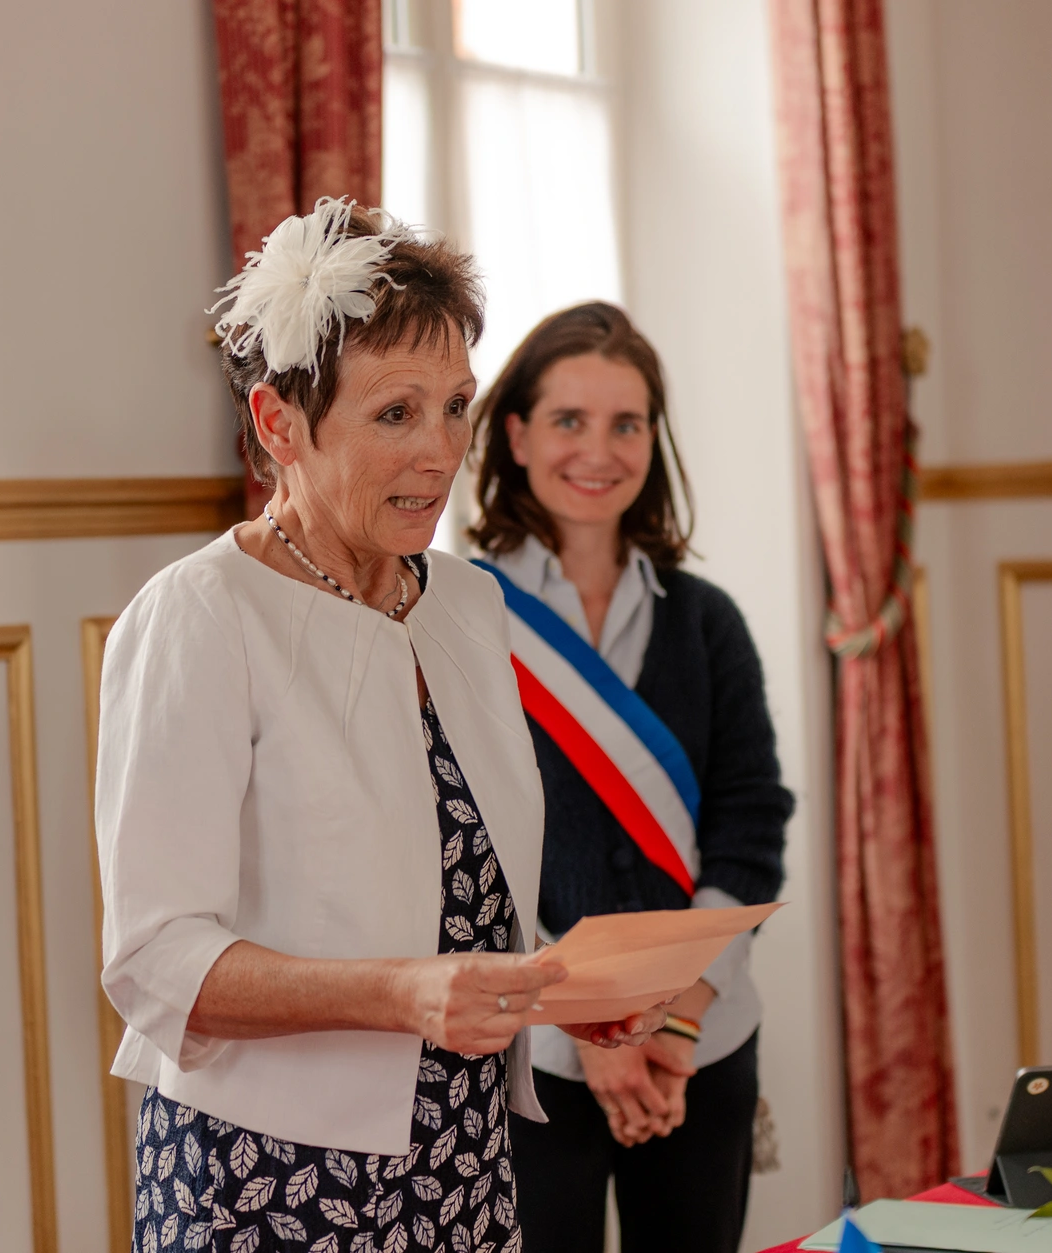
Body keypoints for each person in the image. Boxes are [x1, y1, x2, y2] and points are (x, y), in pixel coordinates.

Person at [95, 204, 666, 1253]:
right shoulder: (198, 615)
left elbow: (456, 894)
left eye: (455, 406)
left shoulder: (464, 602)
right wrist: (403, 993)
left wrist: (561, 997)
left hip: (461, 1154)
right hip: (264, 1171)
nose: (441, 451)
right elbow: (155, 960)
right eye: (395, 413)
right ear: (277, 424)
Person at [470, 302, 796, 1253]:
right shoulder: (459, 618)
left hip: (699, 1045)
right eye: (569, 420)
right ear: (519, 434)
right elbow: (467, 855)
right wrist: (591, 1033)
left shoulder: (707, 622)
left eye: (626, 423)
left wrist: (677, 1022)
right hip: (534, 1060)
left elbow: (752, 825)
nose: (598, 450)